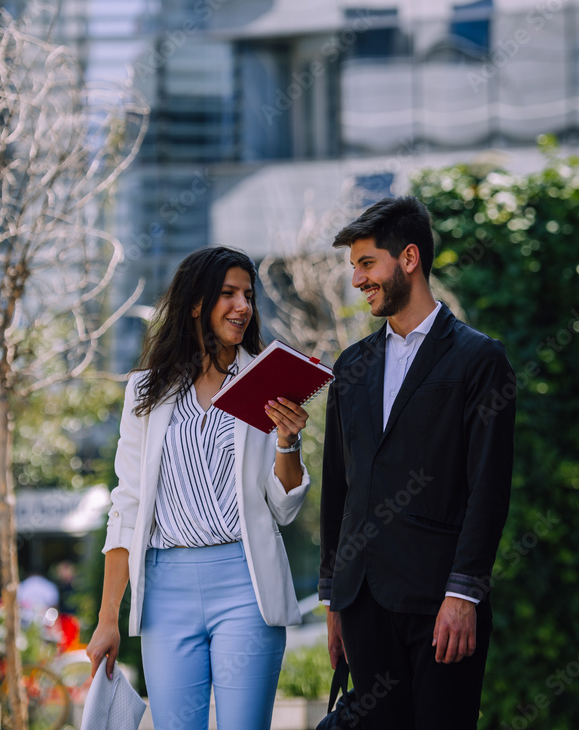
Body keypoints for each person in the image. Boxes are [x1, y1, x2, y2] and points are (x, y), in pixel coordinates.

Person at [87, 245, 310, 730]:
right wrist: (107, 620)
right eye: (228, 294)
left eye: (248, 295)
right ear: (195, 303)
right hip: (167, 591)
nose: (242, 306)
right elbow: (125, 506)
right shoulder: (146, 391)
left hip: (245, 584)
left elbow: (285, 507)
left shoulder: (266, 380)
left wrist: (288, 442)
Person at [320, 196, 515, 730]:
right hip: (363, 603)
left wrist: (464, 591)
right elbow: (340, 486)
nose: (358, 280)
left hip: (439, 602)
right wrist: (335, 596)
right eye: (354, 267)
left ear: (408, 258)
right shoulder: (351, 365)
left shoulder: (479, 359)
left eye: (366, 264)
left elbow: (489, 486)